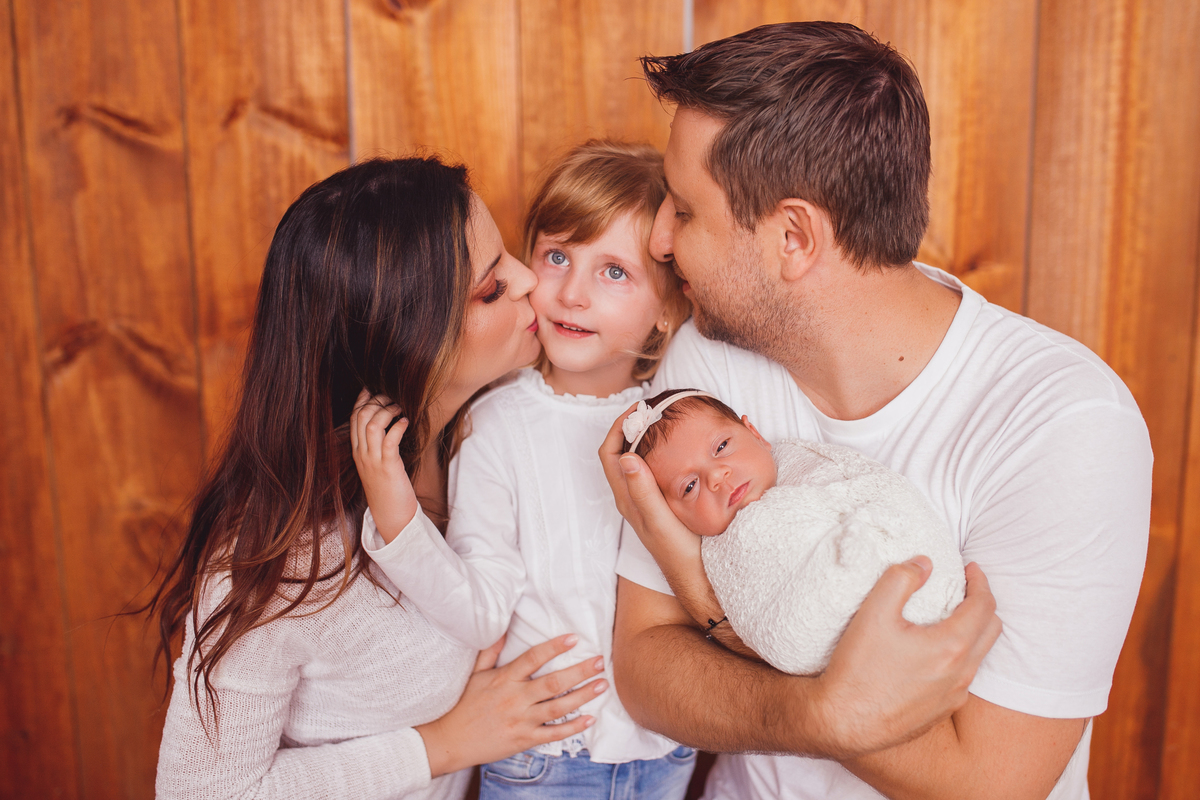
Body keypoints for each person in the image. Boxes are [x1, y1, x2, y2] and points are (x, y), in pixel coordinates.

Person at [600, 21, 1152, 800]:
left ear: (794, 237)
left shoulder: (1064, 425)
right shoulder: (711, 364)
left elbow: (986, 785)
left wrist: (709, 605)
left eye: (685, 211)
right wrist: (825, 713)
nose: (659, 239)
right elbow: (644, 668)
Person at [149, 157, 608, 800]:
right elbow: (201, 793)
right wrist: (444, 743)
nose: (529, 279)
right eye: (490, 288)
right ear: (407, 343)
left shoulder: (485, 436)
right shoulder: (284, 565)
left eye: (509, 256)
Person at [352, 141, 696, 799]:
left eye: (614, 272)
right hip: (547, 760)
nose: (571, 293)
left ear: (666, 311)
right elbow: (481, 611)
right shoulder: (499, 423)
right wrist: (395, 514)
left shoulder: (680, 418)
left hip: (665, 749)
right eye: (558, 256)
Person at [621, 388, 964, 675]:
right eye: (689, 486)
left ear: (756, 434)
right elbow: (767, 627)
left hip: (918, 584)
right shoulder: (718, 557)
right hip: (843, 644)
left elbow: (876, 491)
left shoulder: (808, 465)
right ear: (674, 518)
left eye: (721, 447)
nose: (716, 476)